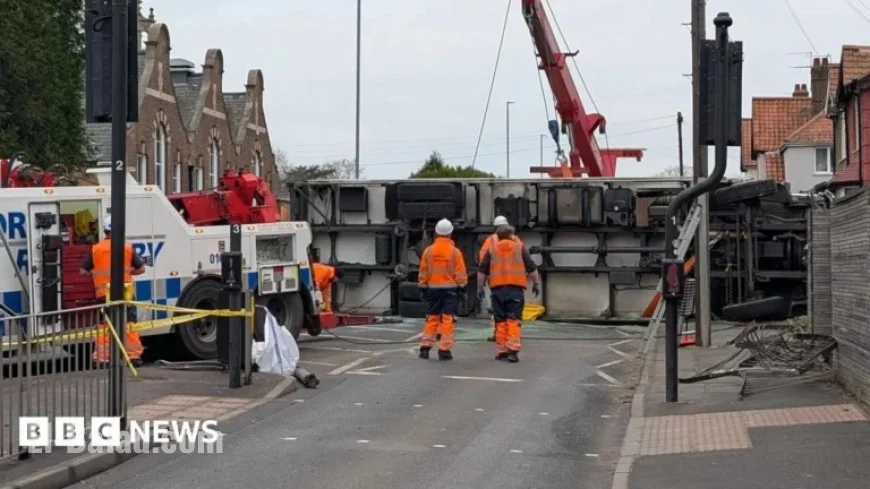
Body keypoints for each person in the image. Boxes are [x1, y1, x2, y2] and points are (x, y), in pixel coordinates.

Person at [80, 216, 147, 366]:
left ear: (105, 230)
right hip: (125, 293)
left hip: (103, 294)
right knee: (129, 324)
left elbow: (83, 271)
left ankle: (103, 357)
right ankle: (133, 356)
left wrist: (96, 273)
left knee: (104, 326)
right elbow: (141, 269)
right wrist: (129, 272)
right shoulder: (126, 248)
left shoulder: (96, 249)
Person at [477, 224, 540, 363]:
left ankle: (501, 351)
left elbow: (482, 270)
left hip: (497, 290)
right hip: (515, 290)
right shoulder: (519, 248)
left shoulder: (491, 250)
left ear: (497, 236)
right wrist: (536, 283)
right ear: (511, 235)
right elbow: (531, 267)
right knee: (513, 320)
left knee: (500, 321)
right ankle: (513, 350)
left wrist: (480, 287)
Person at [417, 218, 468, 361]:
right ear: (450, 233)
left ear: (436, 233)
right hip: (451, 290)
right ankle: (444, 350)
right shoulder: (455, 252)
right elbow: (460, 273)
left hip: (433, 289)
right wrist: (463, 288)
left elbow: (423, 271)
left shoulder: (428, 251)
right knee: (447, 319)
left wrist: (422, 287)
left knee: (432, 317)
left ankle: (425, 348)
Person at [478, 216, 523, 342]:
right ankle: (512, 336)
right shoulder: (517, 240)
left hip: (496, 281)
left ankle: (499, 334)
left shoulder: (491, 240)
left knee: (497, 311)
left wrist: (481, 284)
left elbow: (483, 261)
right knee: (513, 313)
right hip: (515, 281)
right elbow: (525, 259)